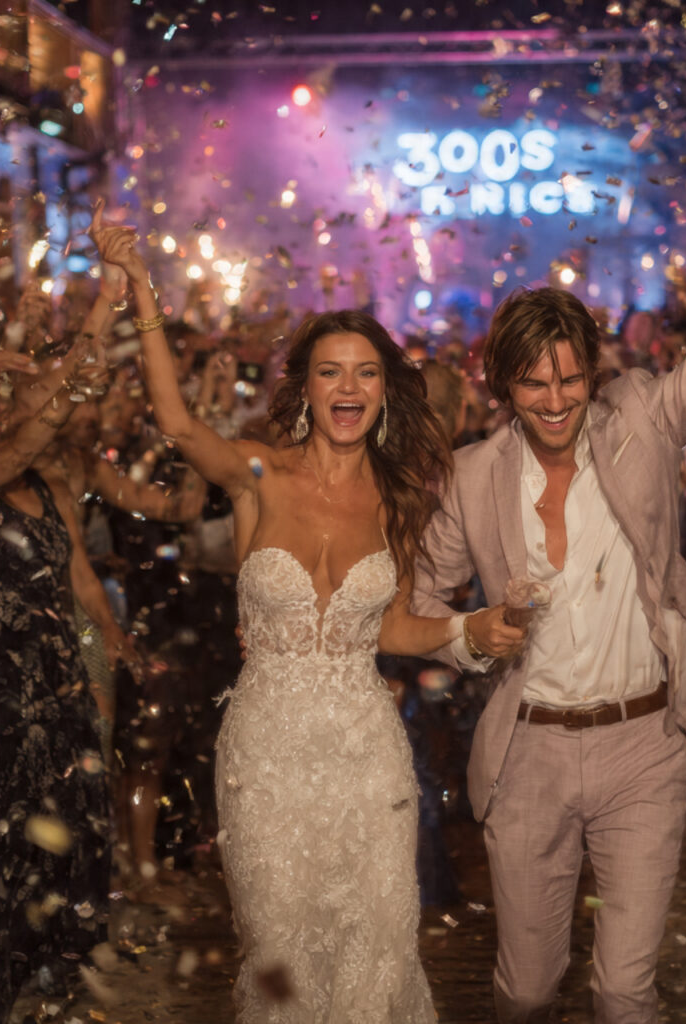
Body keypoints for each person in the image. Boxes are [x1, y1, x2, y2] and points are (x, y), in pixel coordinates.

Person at [94, 202, 520, 1023]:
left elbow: (393, 629)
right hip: (267, 752)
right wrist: (140, 288)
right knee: (281, 949)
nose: (348, 388)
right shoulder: (260, 473)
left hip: (367, 754)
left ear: (385, 391)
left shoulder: (398, 501)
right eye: (330, 371)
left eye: (364, 372)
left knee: (376, 943)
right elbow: (179, 422)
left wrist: (470, 631)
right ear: (308, 387)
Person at [410, 108, 686, 1023]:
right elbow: (418, 606)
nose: (555, 401)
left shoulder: (646, 423)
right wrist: (471, 634)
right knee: (529, 990)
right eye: (534, 384)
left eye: (571, 379)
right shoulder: (472, 476)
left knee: (623, 992)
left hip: (640, 748)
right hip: (529, 746)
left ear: (594, 371)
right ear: (504, 385)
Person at [0, 342, 118, 1022]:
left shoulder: (42, 483)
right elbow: (25, 436)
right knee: (0, 859)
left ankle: (49, 996)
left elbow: (75, 583)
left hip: (58, 688)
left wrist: (101, 655)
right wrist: (75, 376)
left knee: (67, 851)